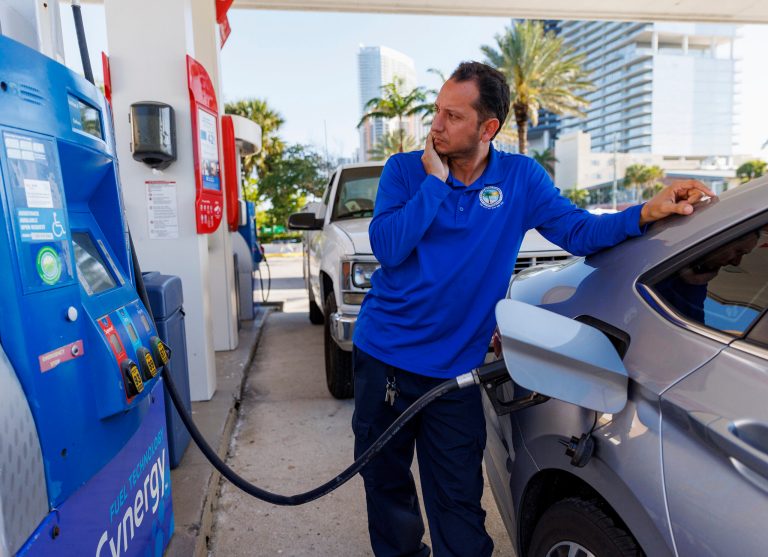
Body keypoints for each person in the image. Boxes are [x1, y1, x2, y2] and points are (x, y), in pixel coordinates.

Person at [351, 61, 713, 557]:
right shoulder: (404, 172)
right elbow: (388, 248)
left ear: (488, 127)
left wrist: (646, 212)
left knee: (457, 503)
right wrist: (434, 184)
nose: (435, 125)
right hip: (383, 360)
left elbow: (579, 232)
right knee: (387, 489)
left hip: (453, 377)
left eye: (452, 116)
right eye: (436, 111)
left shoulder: (520, 178)